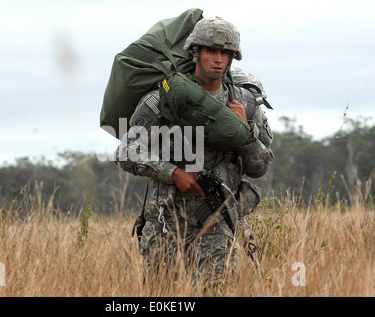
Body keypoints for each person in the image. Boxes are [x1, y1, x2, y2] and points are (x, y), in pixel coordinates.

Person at [115, 16, 273, 289]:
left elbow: (259, 168)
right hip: (166, 221)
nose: (218, 59)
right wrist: (173, 173)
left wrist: (246, 131)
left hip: (218, 219)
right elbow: (126, 151)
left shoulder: (244, 103)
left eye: (225, 52)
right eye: (211, 50)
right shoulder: (163, 98)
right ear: (195, 52)